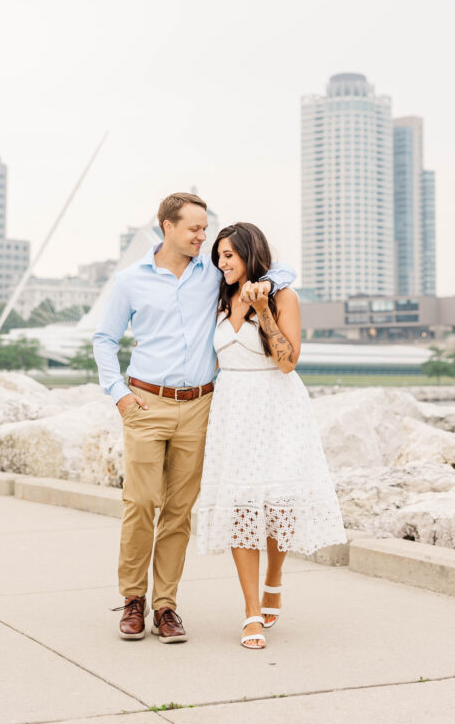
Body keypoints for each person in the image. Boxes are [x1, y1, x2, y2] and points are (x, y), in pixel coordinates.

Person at [93, 193, 295, 644]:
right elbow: (104, 338)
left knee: (180, 512)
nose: (203, 236)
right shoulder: (129, 281)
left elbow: (274, 274)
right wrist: (119, 395)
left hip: (202, 405)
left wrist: (266, 285)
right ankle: (132, 600)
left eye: (206, 229)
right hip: (145, 403)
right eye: (195, 229)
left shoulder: (214, 275)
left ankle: (166, 606)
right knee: (140, 504)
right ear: (167, 227)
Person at [197, 222, 346, 649]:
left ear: (249, 253)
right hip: (234, 410)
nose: (222, 263)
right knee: (242, 507)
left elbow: (287, 362)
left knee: (278, 504)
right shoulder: (220, 299)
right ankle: (250, 613)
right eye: (219, 256)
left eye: (229, 255)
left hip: (277, 406)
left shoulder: (284, 296)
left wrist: (262, 309)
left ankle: (275, 577)